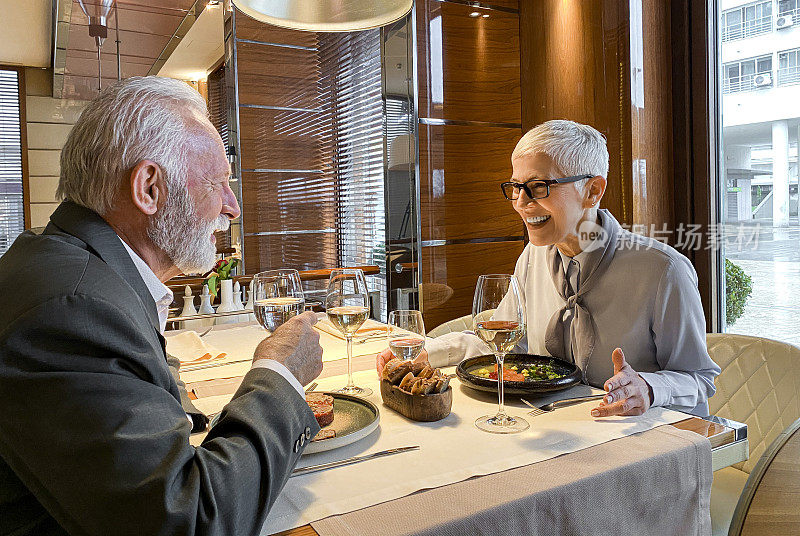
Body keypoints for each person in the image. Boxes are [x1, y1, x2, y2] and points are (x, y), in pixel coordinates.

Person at [0, 77, 324, 536]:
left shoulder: (70, 268)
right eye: (220, 183)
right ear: (148, 188)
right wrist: (280, 374)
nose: (233, 208)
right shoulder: (71, 312)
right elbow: (189, 522)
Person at [378, 120, 720, 418]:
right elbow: (503, 345)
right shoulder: (532, 257)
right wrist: (426, 351)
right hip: (558, 431)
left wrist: (647, 386)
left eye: (538, 187)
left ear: (592, 190)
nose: (522, 202)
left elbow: (700, 380)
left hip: (643, 442)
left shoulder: (662, 270)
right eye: (515, 187)